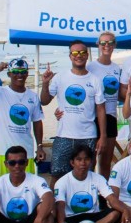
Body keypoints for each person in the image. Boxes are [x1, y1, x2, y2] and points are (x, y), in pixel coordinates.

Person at [41, 40, 106, 186]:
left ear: (87, 55)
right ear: (70, 56)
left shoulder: (95, 80)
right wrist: (45, 83)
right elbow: (44, 101)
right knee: (57, 175)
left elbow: (101, 109)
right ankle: (54, 208)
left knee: (87, 176)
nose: (79, 56)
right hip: (64, 135)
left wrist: (102, 136)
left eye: (82, 52)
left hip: (88, 135)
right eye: (75, 53)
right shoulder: (60, 77)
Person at [0, 58, 45, 178]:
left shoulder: (33, 96)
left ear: (27, 74)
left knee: (26, 189)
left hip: (26, 153)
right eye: (15, 72)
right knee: (2, 188)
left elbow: (37, 121)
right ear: (9, 74)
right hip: (2, 151)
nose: (20, 75)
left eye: (23, 72)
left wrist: (40, 146)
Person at [54, 144, 126, 223]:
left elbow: (112, 200)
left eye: (86, 159)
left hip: (93, 216)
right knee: (57, 221)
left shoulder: (98, 178)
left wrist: (126, 210)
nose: (83, 163)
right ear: (72, 162)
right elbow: (60, 207)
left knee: (115, 213)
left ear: (91, 161)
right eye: (79, 159)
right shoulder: (62, 182)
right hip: (72, 218)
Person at [87, 31, 121, 179]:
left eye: (110, 42)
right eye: (103, 43)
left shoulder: (117, 69)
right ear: (98, 45)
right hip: (93, 117)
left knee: (106, 162)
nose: (106, 45)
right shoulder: (90, 67)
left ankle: (103, 196)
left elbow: (120, 94)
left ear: (114, 45)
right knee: (91, 161)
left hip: (111, 116)